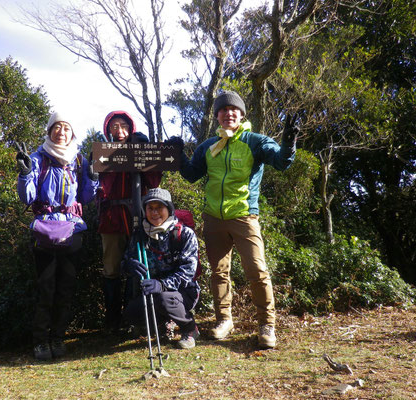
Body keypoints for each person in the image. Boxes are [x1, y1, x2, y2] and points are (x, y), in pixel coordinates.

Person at [167, 90, 299, 349]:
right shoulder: (208, 146)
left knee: (257, 270)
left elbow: (281, 162)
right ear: (217, 116)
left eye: (233, 109)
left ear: (241, 114)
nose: (228, 113)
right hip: (214, 218)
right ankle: (224, 320)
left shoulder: (254, 141)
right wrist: (179, 154)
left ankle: (266, 324)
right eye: (223, 110)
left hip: (244, 216)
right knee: (218, 273)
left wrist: (289, 141)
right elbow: (192, 174)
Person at [16, 112, 98, 360]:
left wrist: (93, 177)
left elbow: (85, 197)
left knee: (66, 288)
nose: (61, 132)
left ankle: (58, 338)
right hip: (44, 230)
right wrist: (24, 174)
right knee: (46, 287)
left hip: (73, 230)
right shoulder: (37, 159)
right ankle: (41, 342)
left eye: (66, 128)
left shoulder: (79, 160)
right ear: (49, 131)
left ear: (72, 133)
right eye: (57, 127)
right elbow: (27, 197)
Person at [95, 111, 161, 333]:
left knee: (139, 266)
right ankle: (112, 320)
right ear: (108, 130)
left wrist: (143, 152)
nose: (119, 130)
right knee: (111, 269)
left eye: (123, 125)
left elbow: (154, 181)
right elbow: (103, 184)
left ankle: (133, 317)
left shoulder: (140, 148)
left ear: (130, 127)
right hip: (112, 219)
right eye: (114, 127)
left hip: (138, 218)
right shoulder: (102, 154)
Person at [123, 188, 201, 349]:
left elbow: (187, 272)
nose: (154, 212)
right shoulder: (140, 234)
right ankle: (164, 322)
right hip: (151, 291)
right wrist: (128, 266)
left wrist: (162, 285)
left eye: (159, 207)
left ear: (169, 209)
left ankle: (190, 329)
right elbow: (125, 260)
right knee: (131, 313)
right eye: (150, 208)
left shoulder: (184, 234)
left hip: (183, 292)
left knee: (164, 299)